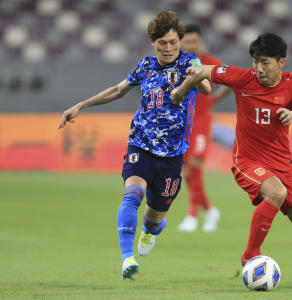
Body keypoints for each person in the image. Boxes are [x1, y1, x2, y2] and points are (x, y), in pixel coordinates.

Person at [171, 33, 292, 288]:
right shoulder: (242, 78)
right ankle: (250, 253)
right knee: (276, 192)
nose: (258, 69)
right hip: (247, 161)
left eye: (265, 62)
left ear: (281, 62)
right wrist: (181, 90)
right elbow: (202, 70)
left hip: (283, 164)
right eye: (255, 61)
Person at [58, 11, 211, 280]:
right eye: (162, 43)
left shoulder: (190, 62)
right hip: (140, 145)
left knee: (154, 218)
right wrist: (81, 105)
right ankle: (127, 258)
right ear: (153, 42)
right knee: (131, 196)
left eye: (173, 42)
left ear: (180, 41)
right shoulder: (145, 66)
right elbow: (118, 90)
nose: (168, 48)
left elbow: (207, 87)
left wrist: (192, 78)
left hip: (173, 155)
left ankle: (150, 230)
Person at [177, 24, 231, 232]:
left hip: (201, 123)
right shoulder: (178, 62)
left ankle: (192, 215)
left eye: (193, 41)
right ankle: (209, 210)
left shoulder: (209, 63)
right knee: (186, 171)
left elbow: (229, 82)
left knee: (195, 165)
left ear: (200, 42)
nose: (190, 45)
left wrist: (214, 99)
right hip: (182, 124)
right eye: (186, 42)